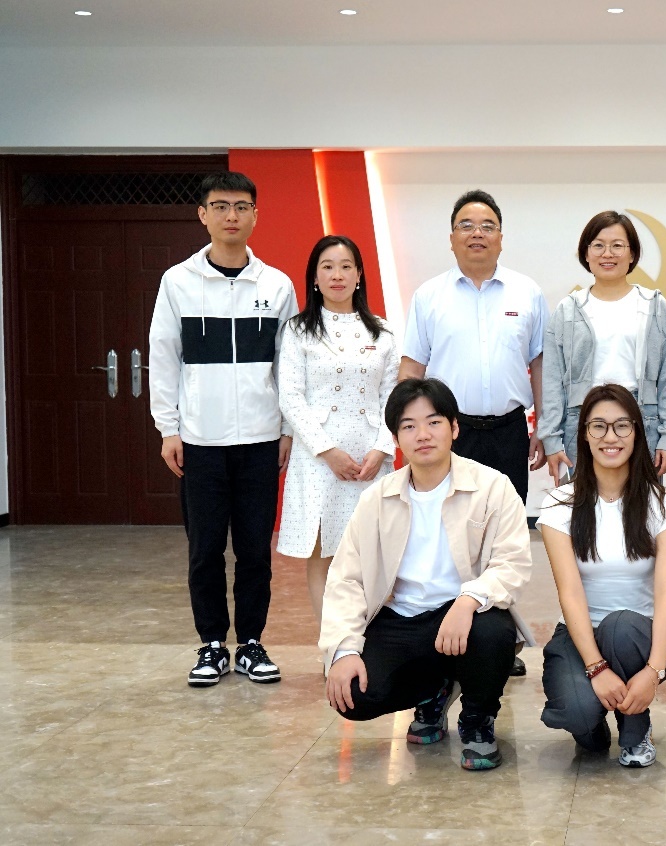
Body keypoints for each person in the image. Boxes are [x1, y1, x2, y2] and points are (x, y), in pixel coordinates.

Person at [320, 378, 533, 771]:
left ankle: (477, 719)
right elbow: (347, 579)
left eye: (434, 422)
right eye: (409, 426)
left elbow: (512, 563)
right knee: (353, 694)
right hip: (401, 618)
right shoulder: (376, 499)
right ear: (396, 438)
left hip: (465, 616)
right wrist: (344, 650)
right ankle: (433, 691)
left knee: (492, 633)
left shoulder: (492, 487)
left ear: (454, 428)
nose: (422, 434)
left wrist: (468, 600)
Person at [149, 171, 298, 687]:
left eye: (241, 206)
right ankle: (212, 644)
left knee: (256, 550)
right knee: (205, 550)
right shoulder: (178, 282)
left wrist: (286, 429)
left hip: (260, 441)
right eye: (220, 206)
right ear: (203, 214)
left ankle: (251, 642)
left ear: (255, 214)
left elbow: (288, 365)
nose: (231, 216)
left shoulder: (277, 285)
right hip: (200, 442)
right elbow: (163, 358)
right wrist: (168, 429)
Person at [400, 189, 548, 677]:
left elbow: (541, 365)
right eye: (466, 225)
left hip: (508, 430)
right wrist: (408, 434)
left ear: (501, 237)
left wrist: (544, 427)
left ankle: (498, 642)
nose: (477, 233)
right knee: (447, 538)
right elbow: (412, 370)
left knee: (503, 540)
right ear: (451, 238)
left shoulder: (527, 293)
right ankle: (446, 639)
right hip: (450, 435)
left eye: (487, 226)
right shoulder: (429, 296)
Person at [537, 384, 666, 768]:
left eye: (622, 426)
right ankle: (592, 726)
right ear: (584, 435)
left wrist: (653, 671)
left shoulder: (664, 504)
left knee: (620, 627)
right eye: (598, 426)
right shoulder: (559, 504)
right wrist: (596, 668)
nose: (610, 437)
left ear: (637, 432)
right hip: (579, 636)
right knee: (577, 713)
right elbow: (570, 593)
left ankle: (636, 731)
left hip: (640, 637)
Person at [277, 235, 398, 622]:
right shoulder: (298, 331)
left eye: (346, 267)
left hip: (370, 458)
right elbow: (290, 396)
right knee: (324, 553)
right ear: (314, 277)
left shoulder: (382, 332)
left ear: (359, 275)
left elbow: (392, 398)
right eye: (327, 267)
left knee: (372, 554)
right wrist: (328, 452)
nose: (337, 275)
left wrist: (382, 449)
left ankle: (370, 641)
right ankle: (334, 644)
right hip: (318, 459)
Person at [541, 210, 666, 485]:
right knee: (584, 504)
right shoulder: (568, 309)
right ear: (586, 254)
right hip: (583, 424)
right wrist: (552, 439)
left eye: (617, 245)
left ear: (632, 254)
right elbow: (553, 381)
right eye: (598, 245)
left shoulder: (653, 305)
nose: (608, 254)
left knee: (642, 504)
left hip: (642, 422)